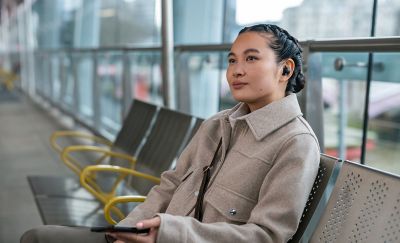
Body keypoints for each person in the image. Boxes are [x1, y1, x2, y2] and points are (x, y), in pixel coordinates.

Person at [20, 24, 320, 243]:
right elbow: (171, 184)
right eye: (231, 60)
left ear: (285, 70)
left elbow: (265, 236)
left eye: (251, 58)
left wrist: (168, 233)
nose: (236, 70)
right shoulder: (218, 124)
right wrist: (127, 229)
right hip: (150, 238)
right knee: (36, 237)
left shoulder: (295, 144)